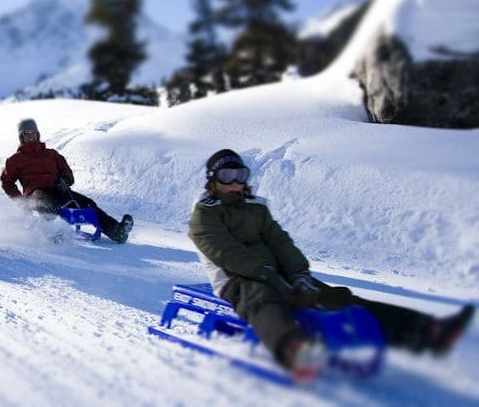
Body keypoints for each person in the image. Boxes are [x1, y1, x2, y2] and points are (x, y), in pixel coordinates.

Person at [188, 149, 474, 381]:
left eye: (240, 175)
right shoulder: (204, 216)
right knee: (262, 299)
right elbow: (228, 255)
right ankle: (294, 350)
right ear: (212, 181)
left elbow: (281, 243)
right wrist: (274, 279)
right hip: (237, 279)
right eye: (227, 176)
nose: (235, 182)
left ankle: (425, 330)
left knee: (336, 298)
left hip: (278, 272)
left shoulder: (256, 208)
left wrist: (300, 276)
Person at [1, 118, 133, 244]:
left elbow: (67, 171)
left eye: (33, 132)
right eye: (26, 133)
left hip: (58, 189)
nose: (30, 136)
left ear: (37, 134)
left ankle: (116, 232)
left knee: (88, 204)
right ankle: (54, 234)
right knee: (46, 202)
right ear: (21, 137)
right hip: (36, 193)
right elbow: (7, 182)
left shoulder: (52, 154)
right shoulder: (15, 160)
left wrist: (65, 180)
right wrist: (20, 200)